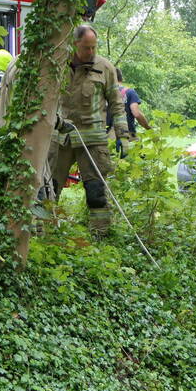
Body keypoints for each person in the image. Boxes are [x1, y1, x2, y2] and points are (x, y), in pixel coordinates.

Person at [48, 24, 129, 236]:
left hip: (93, 142)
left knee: (96, 193)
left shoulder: (106, 68)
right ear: (74, 45)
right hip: (61, 140)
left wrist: (122, 135)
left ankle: (100, 236)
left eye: (94, 47)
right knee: (49, 189)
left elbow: (117, 104)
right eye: (86, 48)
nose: (91, 52)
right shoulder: (58, 65)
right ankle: (45, 235)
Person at [107, 68, 151, 154]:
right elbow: (136, 113)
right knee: (135, 160)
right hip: (127, 134)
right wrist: (147, 127)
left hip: (108, 135)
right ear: (122, 78)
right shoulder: (129, 92)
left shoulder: (104, 93)